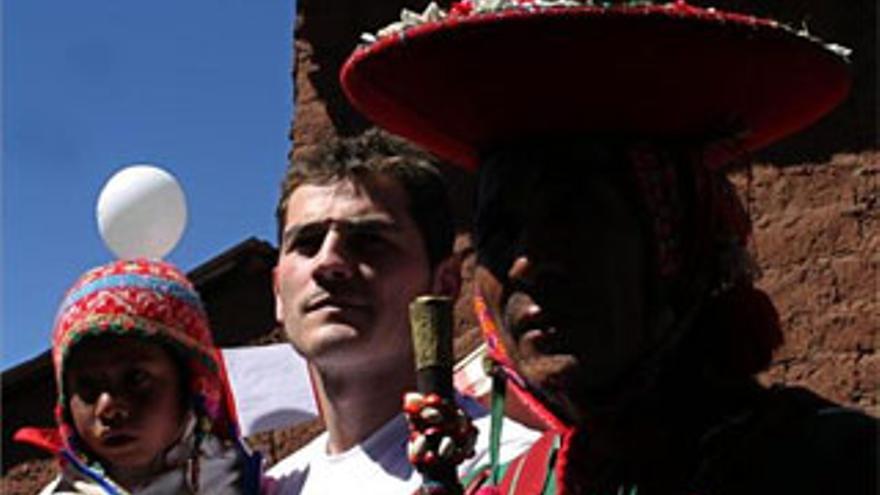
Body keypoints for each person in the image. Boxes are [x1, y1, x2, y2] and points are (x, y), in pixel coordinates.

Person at [340, 1, 878, 493]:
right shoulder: (509, 489)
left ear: (677, 248)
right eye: (500, 230)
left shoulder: (832, 467)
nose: (527, 262)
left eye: (574, 220)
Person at [265, 129, 538, 494]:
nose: (329, 262)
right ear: (278, 292)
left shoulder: (509, 469)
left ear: (445, 283)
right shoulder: (274, 486)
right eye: (307, 243)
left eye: (369, 241)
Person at [15, 259, 262, 494]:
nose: (108, 407)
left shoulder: (245, 480)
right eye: (87, 386)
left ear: (192, 385)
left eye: (136, 378)